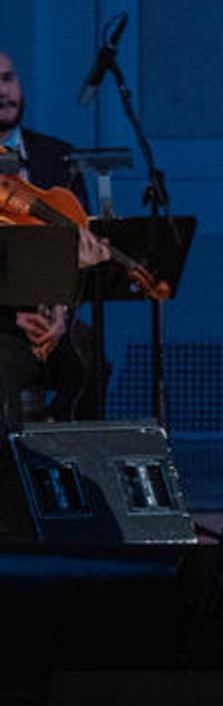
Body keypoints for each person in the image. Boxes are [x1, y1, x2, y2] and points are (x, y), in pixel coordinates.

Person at [0, 50, 109, 428]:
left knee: (90, 356)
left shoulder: (58, 157)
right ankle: (14, 477)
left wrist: (61, 312)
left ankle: (73, 470)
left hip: (53, 314)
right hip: (3, 324)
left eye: (8, 79)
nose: (3, 91)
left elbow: (75, 247)